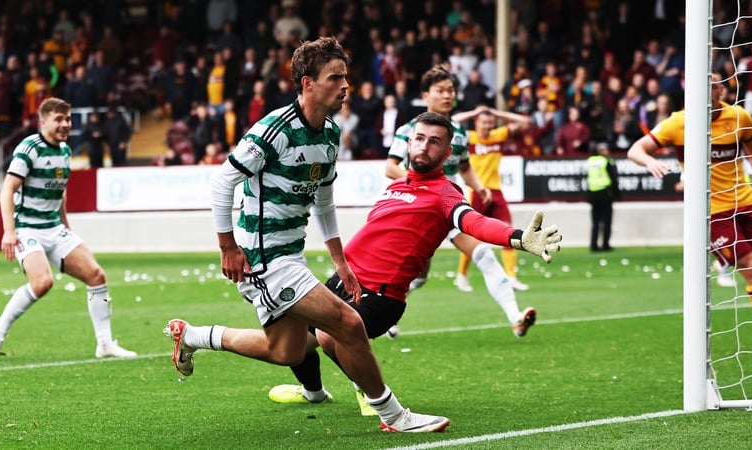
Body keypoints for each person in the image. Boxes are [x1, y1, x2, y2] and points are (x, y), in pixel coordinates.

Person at [163, 37, 450, 433]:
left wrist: (339, 260)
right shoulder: (274, 130)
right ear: (306, 83)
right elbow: (222, 181)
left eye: (346, 77)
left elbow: (325, 201)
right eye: (335, 78)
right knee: (347, 323)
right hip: (261, 255)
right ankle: (394, 416)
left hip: (289, 253)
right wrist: (227, 246)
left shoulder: (330, 134)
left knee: (287, 350)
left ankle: (193, 336)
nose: (345, 85)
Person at [267, 111, 562, 416]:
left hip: (378, 294)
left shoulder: (446, 194)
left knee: (332, 334)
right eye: (419, 139)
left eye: (434, 142)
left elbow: (474, 222)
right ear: (409, 143)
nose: (424, 146)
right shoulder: (396, 187)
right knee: (290, 335)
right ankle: (314, 393)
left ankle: (372, 394)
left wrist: (517, 238)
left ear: (447, 152)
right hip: (345, 280)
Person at [385, 65, 536, 338]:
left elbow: (464, 166)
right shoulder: (409, 130)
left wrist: (479, 186)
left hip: (448, 207)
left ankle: (516, 318)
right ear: (426, 95)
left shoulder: (459, 132)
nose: (447, 95)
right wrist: (420, 186)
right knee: (416, 275)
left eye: (451, 90)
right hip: (418, 212)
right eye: (441, 90)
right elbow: (391, 167)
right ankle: (386, 317)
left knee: (485, 255)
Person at [0, 97, 137, 362]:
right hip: (28, 228)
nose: (65, 124)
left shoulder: (65, 151)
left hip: (54, 228)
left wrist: (67, 229)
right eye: (59, 119)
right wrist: (10, 231)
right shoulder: (29, 148)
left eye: (68, 119)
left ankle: (105, 344)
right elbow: (7, 189)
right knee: (42, 283)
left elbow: (60, 194)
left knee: (96, 276)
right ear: (43, 122)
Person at [628, 72, 752, 304]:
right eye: (702, 86)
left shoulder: (740, 118)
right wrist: (650, 161)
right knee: (751, 266)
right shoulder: (678, 123)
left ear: (722, 91)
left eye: (713, 86)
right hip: (713, 210)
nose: (708, 90)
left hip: (747, 201)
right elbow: (635, 150)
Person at [452, 107, 532, 293]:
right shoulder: (469, 137)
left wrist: (497, 114)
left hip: (496, 191)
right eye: (484, 122)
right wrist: (473, 113)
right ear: (476, 123)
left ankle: (511, 277)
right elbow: (452, 121)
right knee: (470, 237)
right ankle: (461, 275)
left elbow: (524, 122)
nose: (488, 125)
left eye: (490, 122)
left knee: (508, 232)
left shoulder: (498, 134)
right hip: (476, 192)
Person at [586, 143, 620, 252]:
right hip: (605, 193)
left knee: (595, 221)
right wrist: (617, 194)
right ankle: (605, 244)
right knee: (606, 220)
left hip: (593, 193)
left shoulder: (590, 161)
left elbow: (586, 177)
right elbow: (614, 178)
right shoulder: (606, 161)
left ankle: (593, 245)